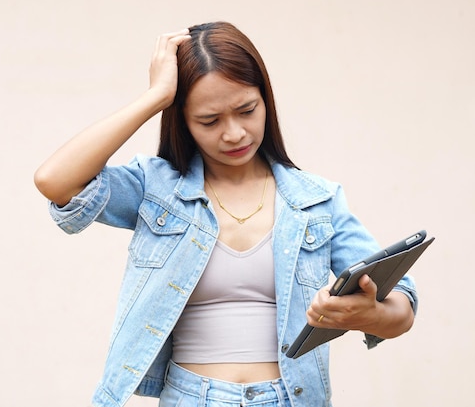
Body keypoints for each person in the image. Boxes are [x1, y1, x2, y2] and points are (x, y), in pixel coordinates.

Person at [34, 21, 418, 407]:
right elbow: (56, 181)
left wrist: (366, 315)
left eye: (247, 110)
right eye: (209, 120)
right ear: (182, 120)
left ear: (265, 99)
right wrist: (154, 98)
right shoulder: (157, 189)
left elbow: (401, 306)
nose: (234, 133)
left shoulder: (317, 200)